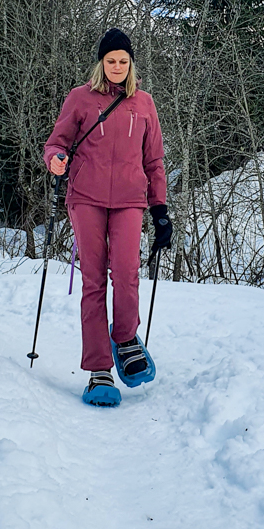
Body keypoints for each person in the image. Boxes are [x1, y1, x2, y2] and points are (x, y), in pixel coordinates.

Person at [43, 29, 172, 407]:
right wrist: (54, 159)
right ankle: (99, 368)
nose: (117, 67)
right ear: (101, 63)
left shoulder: (144, 103)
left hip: (130, 200)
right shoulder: (80, 98)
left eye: (123, 61)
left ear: (131, 64)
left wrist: (160, 209)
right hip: (86, 198)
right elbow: (57, 142)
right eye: (111, 60)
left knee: (127, 272)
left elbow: (155, 160)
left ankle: (127, 338)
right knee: (94, 280)